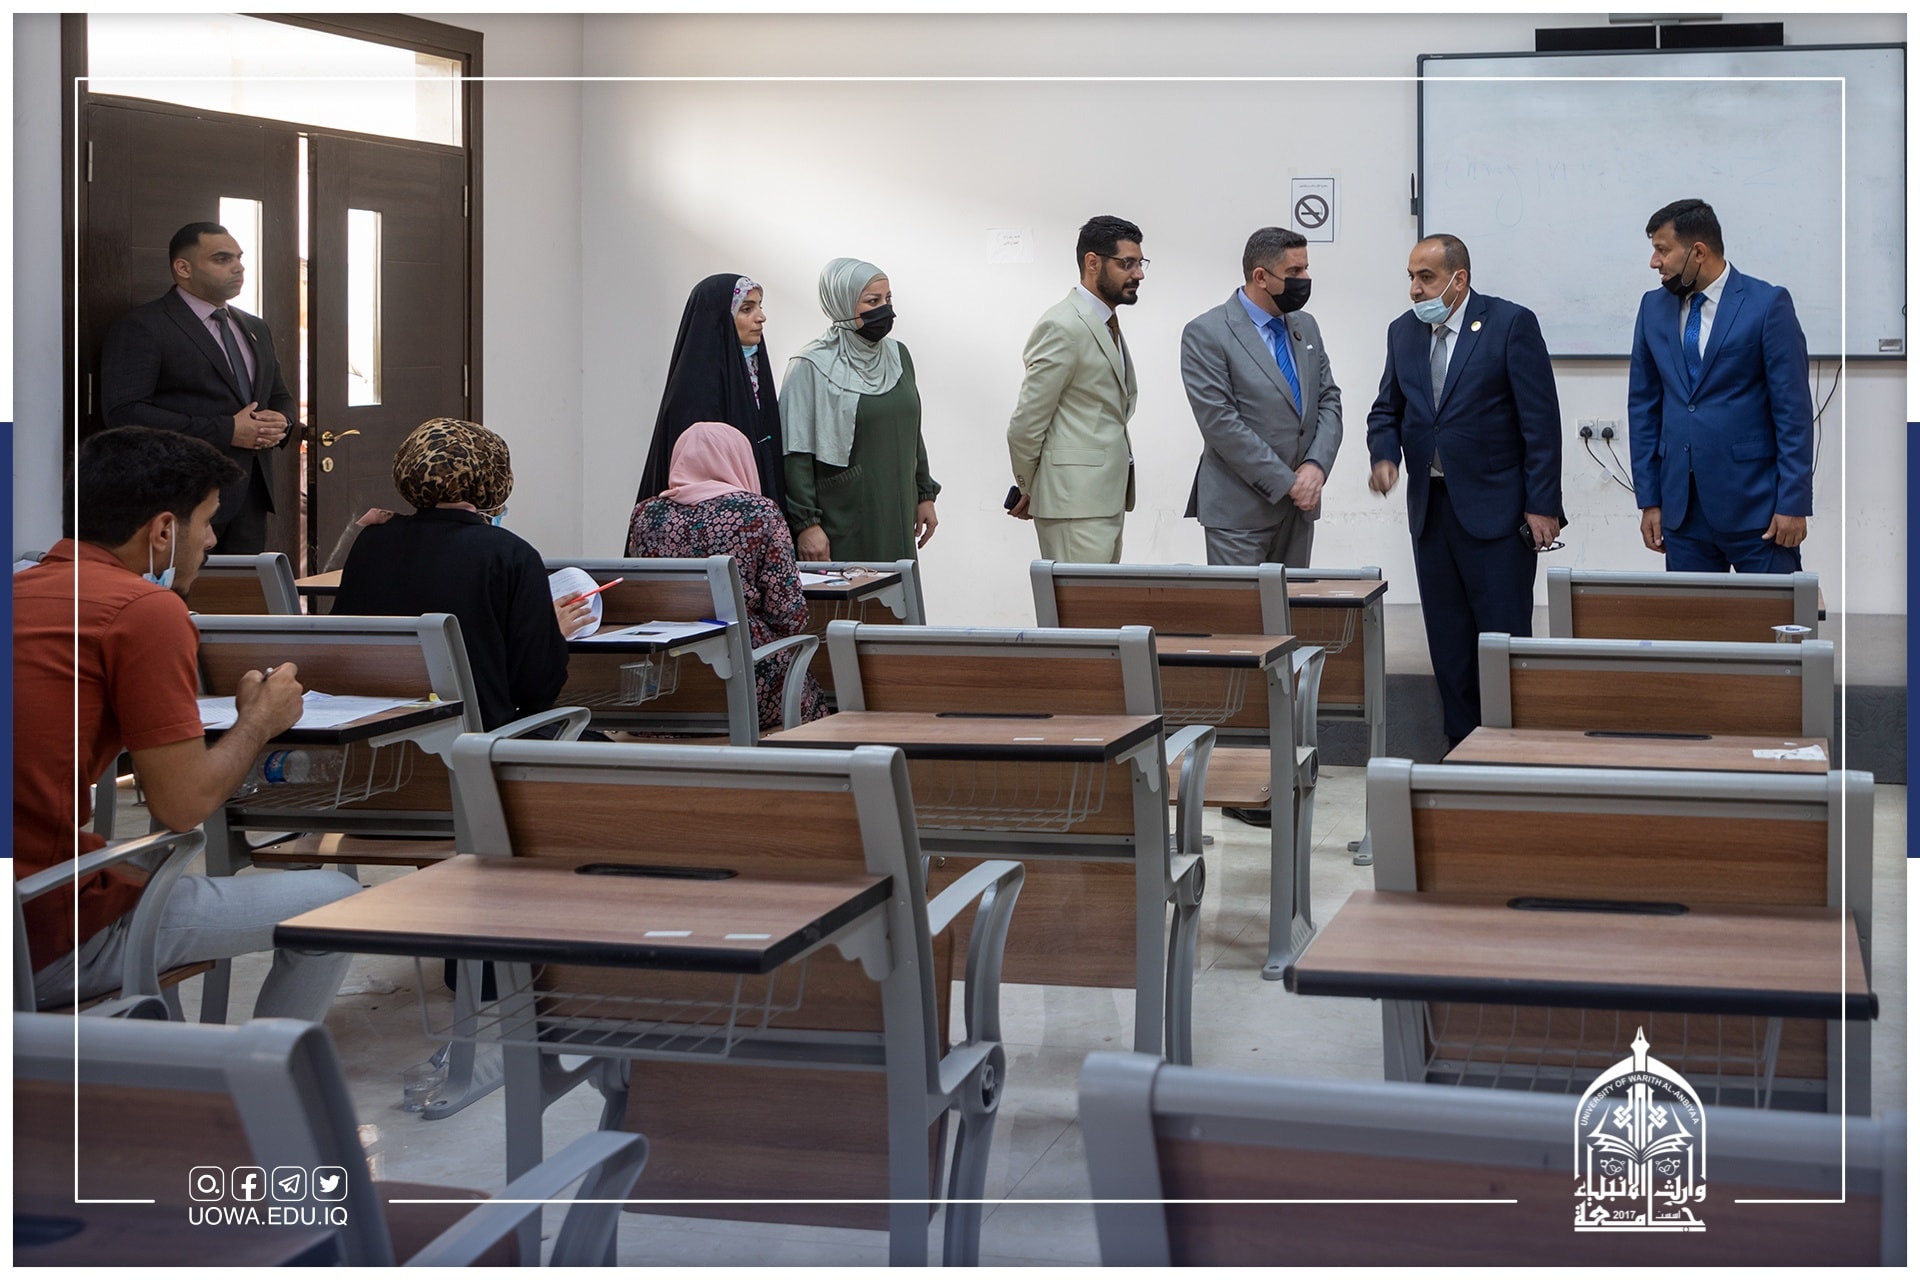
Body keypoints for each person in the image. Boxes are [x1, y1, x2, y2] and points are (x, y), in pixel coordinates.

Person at [14, 426, 357, 1017]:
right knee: (339, 901)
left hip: (30, 897)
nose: (212, 541)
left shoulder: (21, 590)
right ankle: (263, 1071)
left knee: (141, 869)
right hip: (38, 937)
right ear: (164, 531)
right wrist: (259, 721)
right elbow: (181, 805)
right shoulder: (145, 610)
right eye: (208, 521)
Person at [1366, 234, 1565, 749]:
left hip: (1499, 512)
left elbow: (1541, 423)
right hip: (1431, 512)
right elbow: (1386, 410)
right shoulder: (1403, 332)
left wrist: (1543, 505)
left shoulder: (1509, 324)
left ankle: (1509, 746)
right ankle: (1460, 745)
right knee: (1447, 637)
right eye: (1410, 277)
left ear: (1460, 279)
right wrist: (1384, 455)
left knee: (1501, 634)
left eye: (1426, 277)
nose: (1415, 289)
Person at [334, 417, 593, 732]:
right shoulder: (511, 555)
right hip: (477, 740)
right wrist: (551, 636)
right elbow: (535, 692)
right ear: (495, 477)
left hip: (370, 732)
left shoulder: (372, 541)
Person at [1628, 198, 1814, 572]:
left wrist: (1793, 502)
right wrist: (1649, 500)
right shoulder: (1652, 309)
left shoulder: (1767, 305)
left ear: (1698, 252)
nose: (1654, 262)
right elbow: (1643, 409)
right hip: (1682, 514)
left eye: (1663, 250)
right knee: (1691, 613)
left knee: (1771, 612)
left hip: (1758, 510)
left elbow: (1792, 411)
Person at [98, 221, 298, 554]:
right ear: (183, 268)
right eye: (222, 259)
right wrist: (227, 430)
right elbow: (124, 413)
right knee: (185, 588)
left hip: (249, 496)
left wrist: (283, 421)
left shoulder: (255, 327)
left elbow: (278, 395)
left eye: (239, 257)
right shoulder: (145, 326)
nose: (238, 267)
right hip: (181, 498)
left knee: (244, 588)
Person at [630, 422, 829, 730]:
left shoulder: (645, 515)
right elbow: (788, 617)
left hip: (660, 682)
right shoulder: (760, 514)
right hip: (743, 678)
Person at [1181, 226, 1343, 566]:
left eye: (1306, 268)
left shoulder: (1306, 326)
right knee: (1242, 603)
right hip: (1239, 513)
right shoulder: (1207, 333)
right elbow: (1220, 423)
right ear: (1261, 277)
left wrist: (1316, 466)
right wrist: (1288, 483)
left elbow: (1328, 399)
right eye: (1294, 271)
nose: (1305, 279)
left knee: (1292, 600)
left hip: (1299, 510)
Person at [779, 258, 940, 562]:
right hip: (843, 516)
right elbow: (795, 452)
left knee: (898, 588)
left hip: (897, 508)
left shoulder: (898, 355)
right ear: (841, 302)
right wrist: (807, 524)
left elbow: (912, 431)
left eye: (888, 299)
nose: (886, 310)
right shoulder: (809, 365)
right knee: (853, 592)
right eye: (872, 301)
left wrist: (924, 495)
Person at [1006, 215, 1144, 564]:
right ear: (1092, 262)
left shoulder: (1104, 322)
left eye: (1140, 263)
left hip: (1103, 499)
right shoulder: (1062, 325)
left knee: (1101, 600)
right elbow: (1026, 424)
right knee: (1080, 601)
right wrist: (1030, 488)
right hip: (1073, 504)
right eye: (1127, 264)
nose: (1139, 274)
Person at [634, 273, 787, 509]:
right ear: (719, 319)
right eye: (746, 309)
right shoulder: (695, 389)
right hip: (717, 517)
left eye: (760, 306)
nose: (761, 317)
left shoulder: (752, 369)